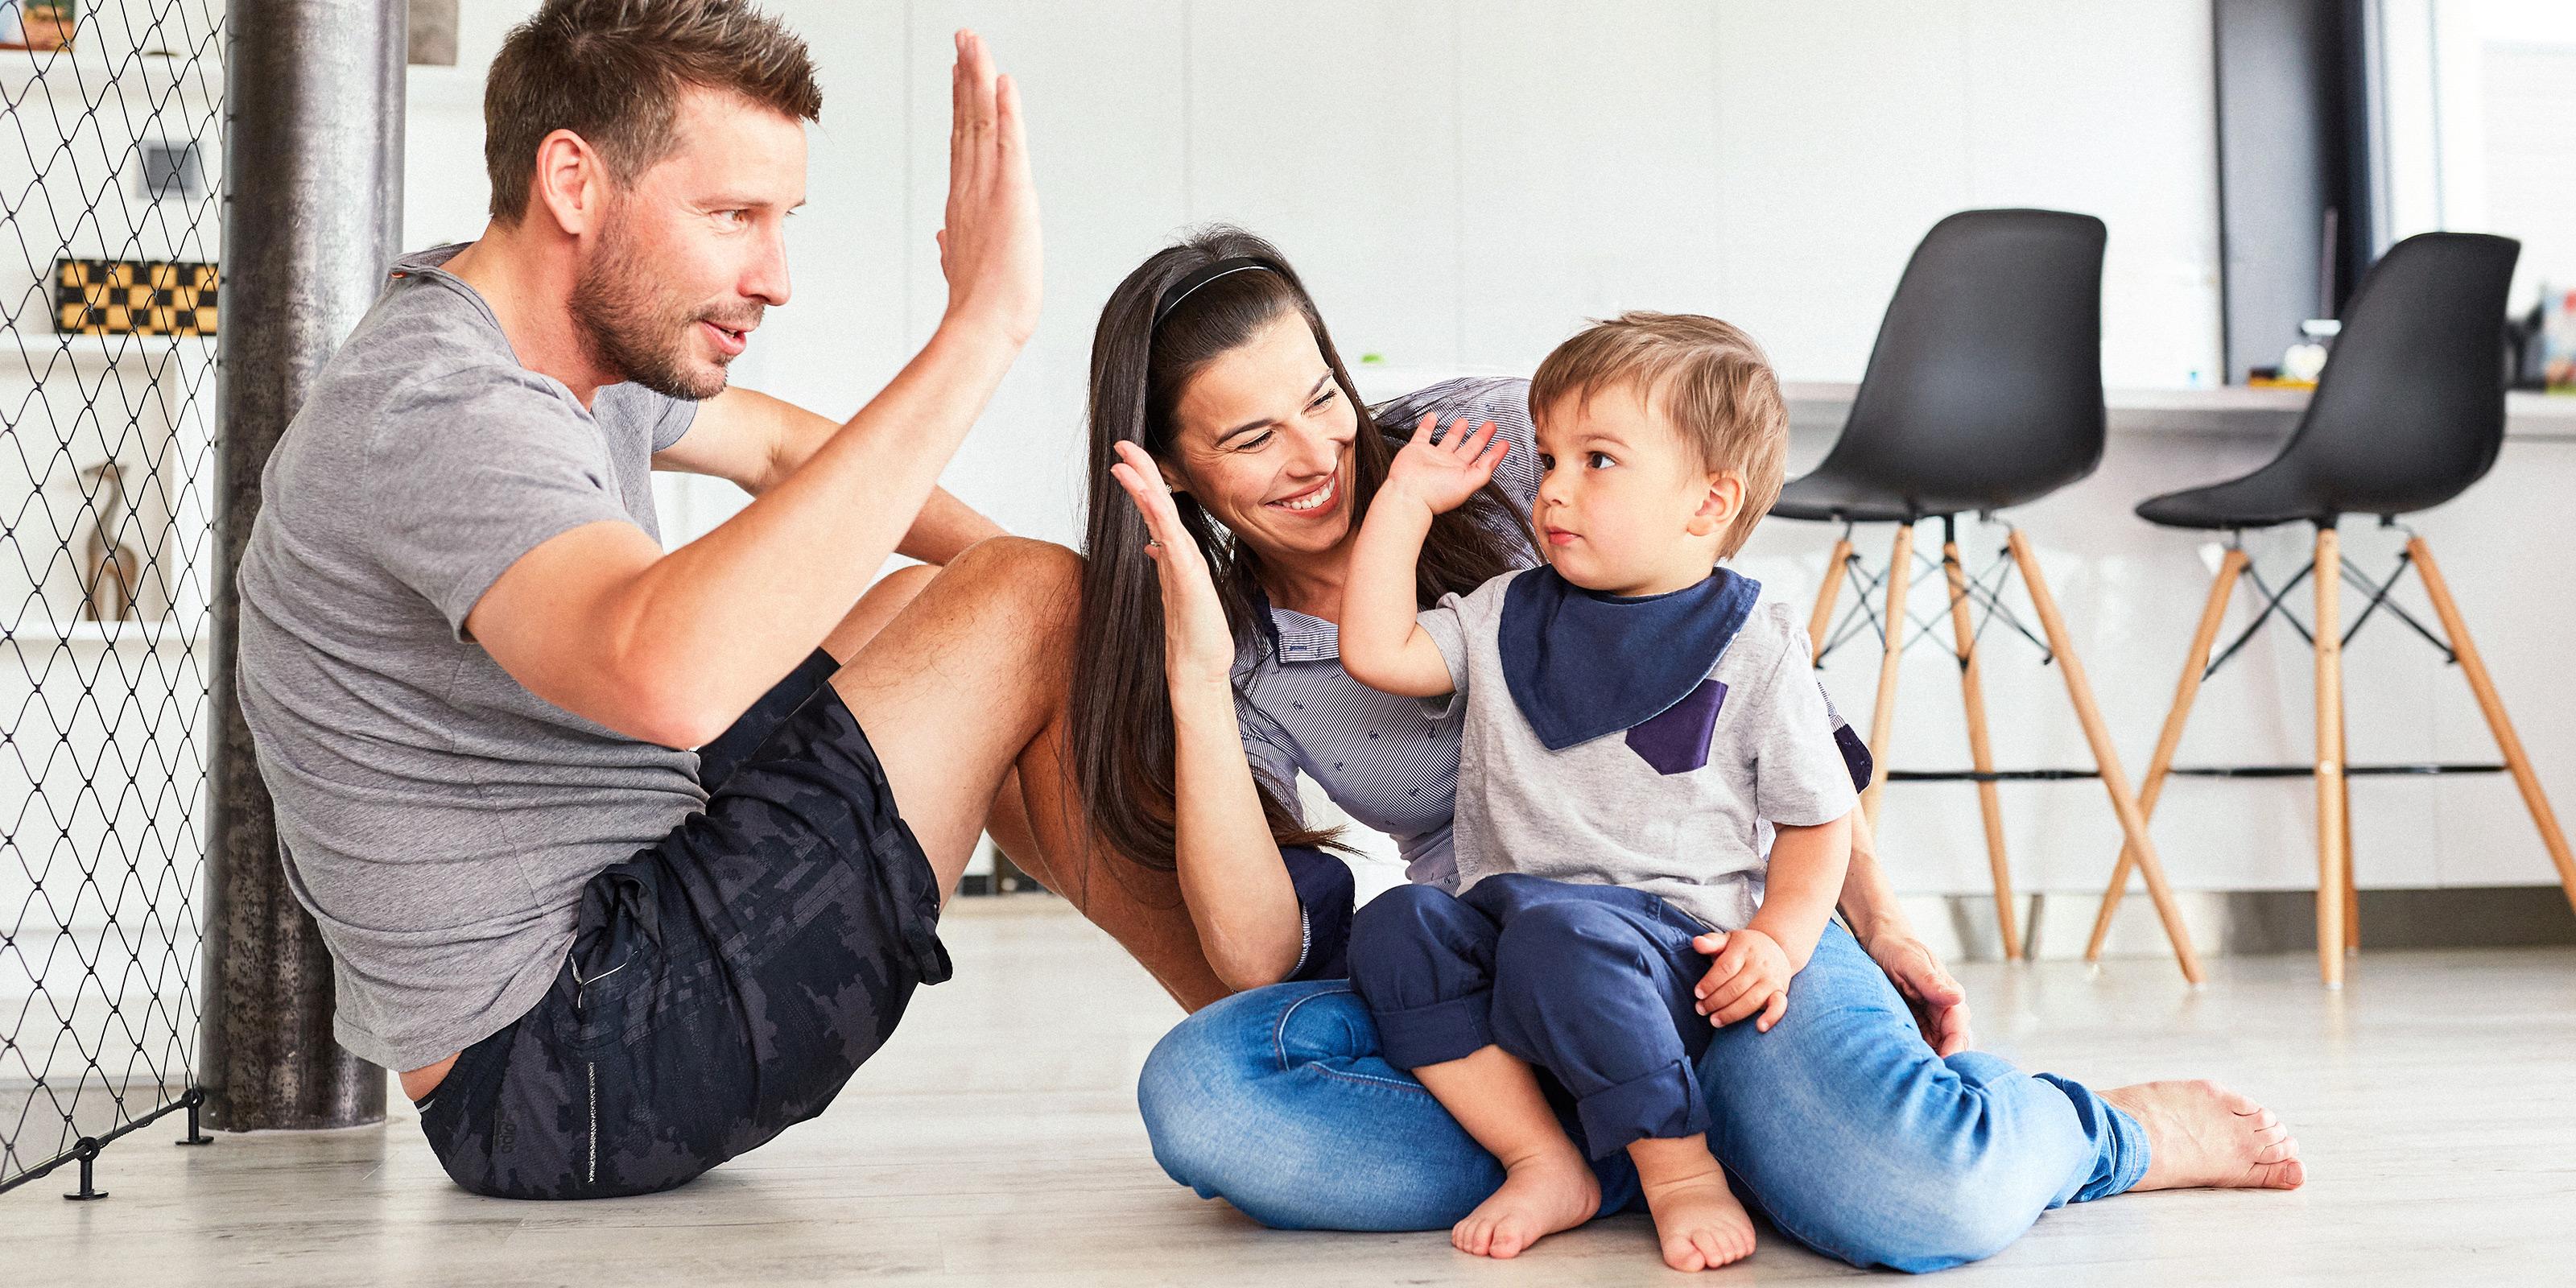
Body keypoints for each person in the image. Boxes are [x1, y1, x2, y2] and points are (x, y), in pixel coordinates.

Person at [1093, 228, 2306, 1273]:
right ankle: (1651, 1146)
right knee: (1209, 1096)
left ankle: (2096, 1132)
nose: (1315, 456)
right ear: (1180, 470)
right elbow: (1259, 956)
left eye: (1318, 395)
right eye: (1250, 438)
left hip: (1715, 924)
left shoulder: (1511, 441)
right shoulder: (1235, 644)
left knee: (1922, 1198)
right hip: (1504, 972)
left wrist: (1863, 928)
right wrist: (1198, 677)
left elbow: (1770, 707)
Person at [231, 0, 1224, 1199]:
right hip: (563, 1062)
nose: (777, 276)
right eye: (732, 217)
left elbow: (787, 455)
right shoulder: (443, 407)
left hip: (611, 959)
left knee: (962, 599)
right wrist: (984, 329)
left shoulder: (552, 338)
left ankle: (1248, 971)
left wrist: (1124, 628)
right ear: (574, 183)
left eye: (782, 220)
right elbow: (667, 679)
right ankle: (1280, 1032)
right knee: (1024, 598)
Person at [1328, 312, 1863, 1271]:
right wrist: (1405, 500)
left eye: (1598, 460)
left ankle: (1682, 1172)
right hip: (1510, 931)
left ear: (1707, 504)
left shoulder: (1757, 643)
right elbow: (1375, 651)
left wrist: (1777, 943)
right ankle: (1542, 1159)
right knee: (1395, 924)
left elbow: (1816, 820)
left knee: (1562, 932)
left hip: (1662, 955)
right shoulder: (1501, 615)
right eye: (1548, 457)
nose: (1553, 487)